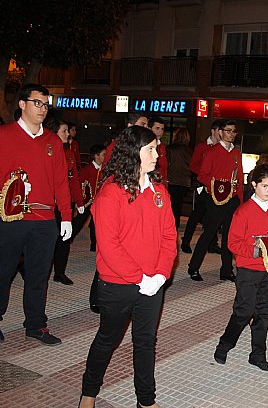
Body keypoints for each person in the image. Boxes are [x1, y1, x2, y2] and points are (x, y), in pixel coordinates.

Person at [78, 126, 177, 408]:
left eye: (156, 149)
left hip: (153, 285)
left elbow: (170, 236)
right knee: (107, 340)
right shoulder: (111, 193)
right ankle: (88, 393)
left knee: (145, 342)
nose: (157, 155)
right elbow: (108, 246)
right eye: (151, 149)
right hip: (118, 285)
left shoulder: (159, 191)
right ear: (133, 153)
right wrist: (139, 278)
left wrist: (160, 274)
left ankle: (146, 400)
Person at [0, 83, 71, 345]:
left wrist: (65, 216)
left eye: (46, 103)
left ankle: (36, 324)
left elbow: (61, 181)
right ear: (22, 104)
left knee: (39, 275)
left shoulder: (52, 141)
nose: (43, 109)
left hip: (43, 221)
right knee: (3, 271)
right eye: (37, 103)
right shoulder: (4, 135)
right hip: (10, 218)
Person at [213, 164, 268, 371]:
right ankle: (225, 344)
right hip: (249, 269)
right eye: (265, 186)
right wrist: (256, 250)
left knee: (263, 312)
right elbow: (232, 243)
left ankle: (258, 355)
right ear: (254, 185)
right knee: (244, 310)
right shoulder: (243, 212)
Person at [187, 120, 243, 282]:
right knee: (209, 234)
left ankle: (226, 269)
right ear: (220, 132)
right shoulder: (212, 152)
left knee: (228, 237)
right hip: (215, 200)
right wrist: (216, 190)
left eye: (234, 131)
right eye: (228, 131)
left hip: (232, 200)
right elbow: (202, 176)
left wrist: (239, 199)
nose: (231, 134)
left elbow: (239, 178)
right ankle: (193, 267)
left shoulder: (236, 154)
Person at [43, 117, 84, 286]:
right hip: (47, 206)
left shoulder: (69, 154)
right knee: (46, 241)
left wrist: (79, 202)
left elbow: (73, 180)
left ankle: (59, 272)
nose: (68, 134)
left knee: (64, 240)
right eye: (64, 131)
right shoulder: (44, 151)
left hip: (65, 204)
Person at [181, 120, 222, 254]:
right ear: (213, 131)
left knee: (213, 215)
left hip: (216, 187)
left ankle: (212, 244)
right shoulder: (202, 147)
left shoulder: (221, 148)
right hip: (203, 185)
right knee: (197, 214)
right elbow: (193, 165)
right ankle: (186, 241)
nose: (221, 134)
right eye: (219, 131)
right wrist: (206, 175)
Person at [74, 144, 107, 251]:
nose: (105, 157)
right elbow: (80, 184)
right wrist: (80, 201)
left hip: (99, 202)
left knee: (96, 224)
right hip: (87, 201)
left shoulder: (104, 169)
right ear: (96, 156)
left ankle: (94, 246)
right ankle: (67, 239)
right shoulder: (87, 169)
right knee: (79, 221)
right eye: (103, 154)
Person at [167, 128, 193, 230]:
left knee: (172, 204)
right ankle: (176, 223)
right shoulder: (189, 151)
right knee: (178, 204)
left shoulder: (170, 149)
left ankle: (173, 223)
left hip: (172, 179)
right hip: (184, 181)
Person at [149, 117, 168, 183]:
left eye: (162, 129)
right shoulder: (145, 146)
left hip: (161, 182)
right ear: (149, 129)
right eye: (157, 128)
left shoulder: (162, 146)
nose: (160, 131)